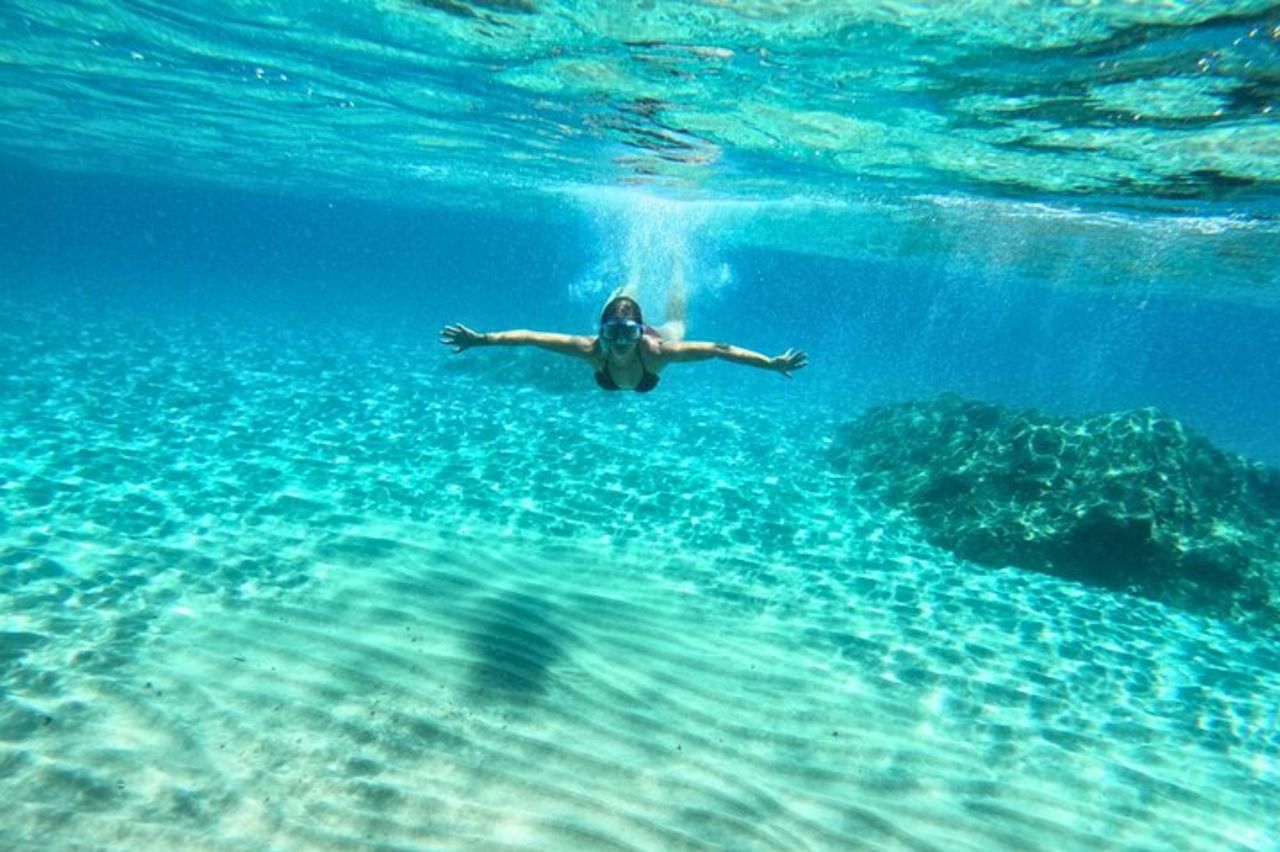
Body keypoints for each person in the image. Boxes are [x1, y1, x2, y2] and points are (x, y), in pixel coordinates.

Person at [439, 282, 807, 392]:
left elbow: (718, 350)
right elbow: (530, 337)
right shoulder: (591, 348)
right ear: (602, 332)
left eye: (628, 333)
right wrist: (480, 340)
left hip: (660, 333)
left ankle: (678, 273)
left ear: (637, 332)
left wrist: (770, 364)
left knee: (678, 321)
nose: (620, 342)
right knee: (617, 302)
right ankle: (628, 283)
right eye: (613, 333)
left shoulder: (657, 351)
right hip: (620, 333)